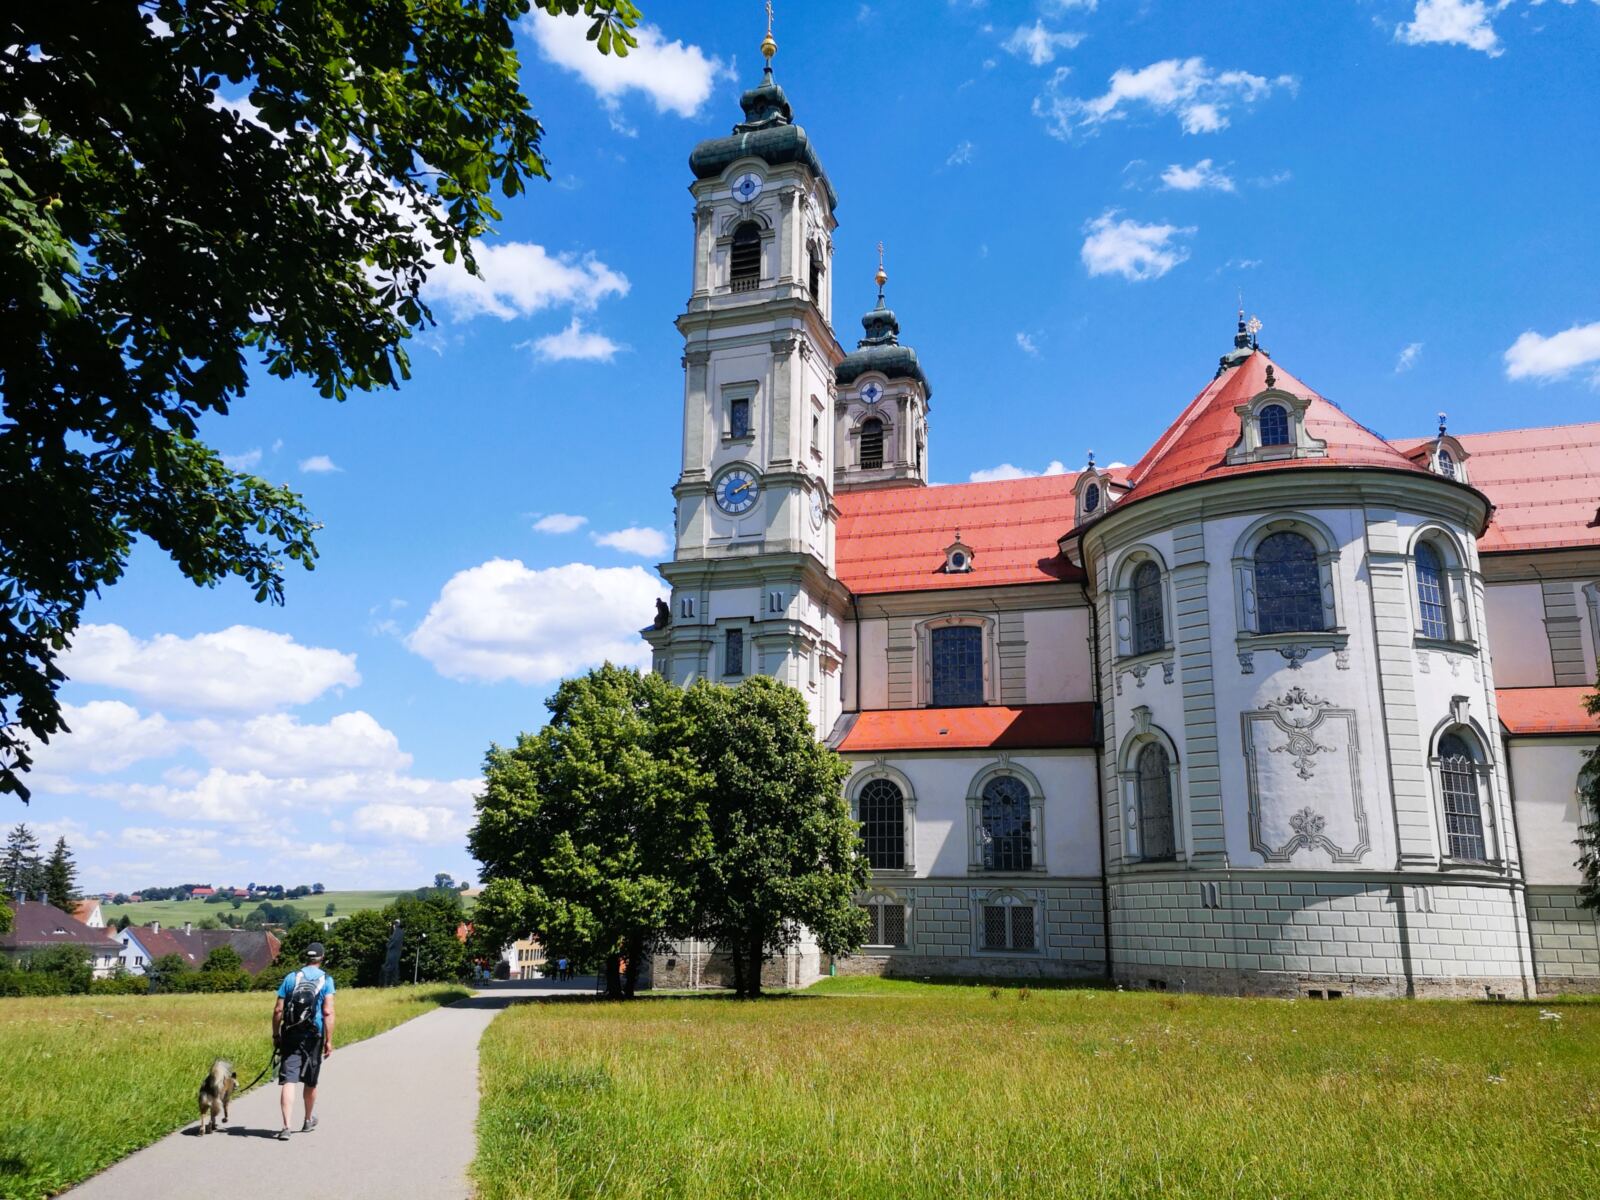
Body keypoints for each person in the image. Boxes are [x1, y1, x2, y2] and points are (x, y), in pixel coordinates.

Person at [272, 941, 336, 1141]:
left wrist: (276, 1035)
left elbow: (278, 1010)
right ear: (321, 958)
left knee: (289, 1081)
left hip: (291, 1034)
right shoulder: (326, 980)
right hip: (313, 1036)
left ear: (306, 958)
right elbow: (327, 1011)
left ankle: (286, 1126)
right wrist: (329, 1040)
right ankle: (308, 1120)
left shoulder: (291, 978)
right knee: (310, 1081)